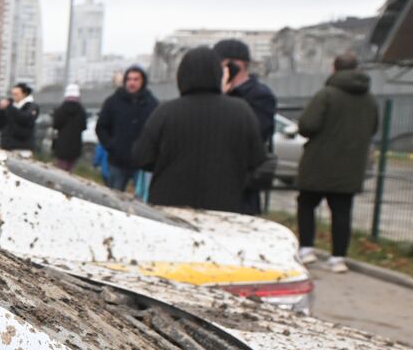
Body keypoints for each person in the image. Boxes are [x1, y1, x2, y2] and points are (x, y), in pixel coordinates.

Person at [132, 46, 266, 212]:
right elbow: (257, 159)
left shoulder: (165, 112)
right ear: (218, 75)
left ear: (181, 76)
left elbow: (141, 157)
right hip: (224, 205)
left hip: (170, 205)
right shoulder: (241, 111)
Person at [293, 52, 379, 273]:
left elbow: (307, 125)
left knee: (307, 204)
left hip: (318, 164)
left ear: (334, 68)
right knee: (342, 211)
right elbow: (373, 129)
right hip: (350, 167)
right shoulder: (369, 100)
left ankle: (306, 249)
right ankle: (338, 257)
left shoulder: (326, 95)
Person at [213, 38, 278, 214]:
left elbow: (255, 135)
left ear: (234, 65)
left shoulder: (259, 96)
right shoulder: (220, 93)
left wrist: (221, 100)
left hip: (241, 181)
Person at [95, 66, 157, 191]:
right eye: (129, 79)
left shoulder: (151, 103)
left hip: (142, 164)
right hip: (117, 161)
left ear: (142, 81)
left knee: (142, 202)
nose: (132, 82)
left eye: (136, 79)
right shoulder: (113, 102)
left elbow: (157, 131)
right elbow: (101, 127)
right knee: (112, 199)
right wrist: (112, 146)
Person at [0, 83, 38, 151]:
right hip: (7, 145)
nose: (14, 96)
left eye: (16, 94)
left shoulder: (32, 106)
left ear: (24, 94)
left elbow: (25, 118)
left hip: (23, 146)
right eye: (13, 94)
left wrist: (9, 107)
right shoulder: (12, 106)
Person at [50, 84, 87, 172]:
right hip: (75, 145)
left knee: (60, 170)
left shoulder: (61, 109)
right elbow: (83, 126)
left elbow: (56, 125)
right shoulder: (81, 111)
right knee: (70, 171)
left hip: (61, 144)